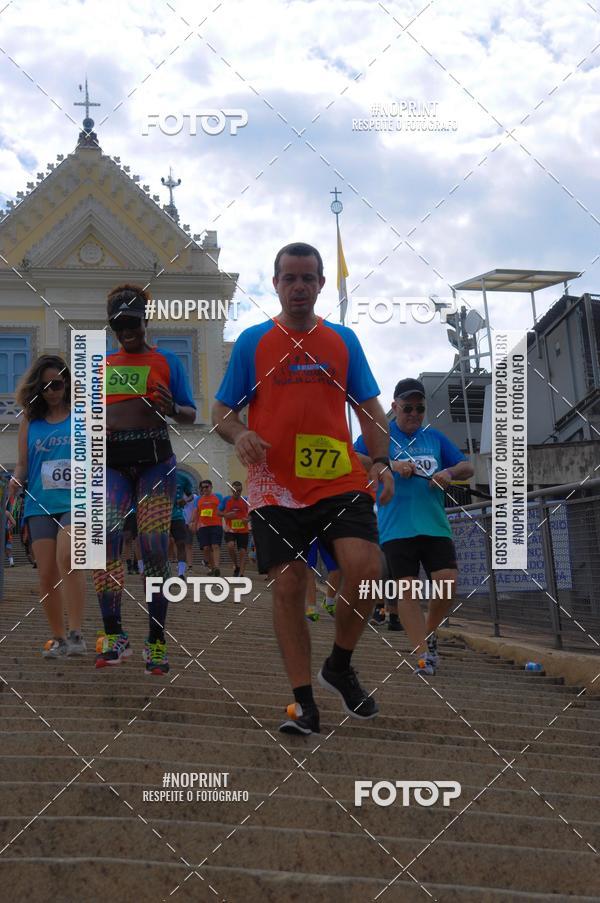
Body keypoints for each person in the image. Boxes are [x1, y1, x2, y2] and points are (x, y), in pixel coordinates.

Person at [212, 241, 394, 736]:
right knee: (290, 583)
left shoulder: (343, 341)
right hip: (275, 486)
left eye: (307, 278)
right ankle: (303, 703)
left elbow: (370, 409)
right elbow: (221, 413)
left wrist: (380, 461)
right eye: (289, 278)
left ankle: (339, 664)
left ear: (319, 285)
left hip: (338, 477)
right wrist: (241, 433)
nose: (298, 287)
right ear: (275, 284)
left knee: (367, 566)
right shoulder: (253, 342)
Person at [93, 284, 196, 674]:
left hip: (155, 458)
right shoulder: (102, 365)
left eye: (132, 323)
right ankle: (114, 635)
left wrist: (173, 407)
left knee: (154, 546)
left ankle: (156, 639)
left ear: (145, 320)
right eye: (119, 325)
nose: (126, 331)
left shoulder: (167, 360)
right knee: (105, 545)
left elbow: (189, 411)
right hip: (112, 463)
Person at [355, 378, 474, 675]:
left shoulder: (434, 437)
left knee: (447, 582)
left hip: (434, 524)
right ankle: (423, 654)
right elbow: (353, 456)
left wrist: (448, 472)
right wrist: (389, 466)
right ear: (394, 407)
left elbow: (468, 467)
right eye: (407, 408)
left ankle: (428, 634)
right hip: (396, 526)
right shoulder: (381, 435)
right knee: (407, 589)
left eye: (420, 408)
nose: (414, 414)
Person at [8, 356, 87, 657]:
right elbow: (23, 464)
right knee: (46, 574)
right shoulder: (31, 420)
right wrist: (16, 481)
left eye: (56, 384)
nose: (52, 391)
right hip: (39, 504)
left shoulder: (81, 416)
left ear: (67, 384)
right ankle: (59, 638)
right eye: (45, 386)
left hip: (75, 501)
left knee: (68, 557)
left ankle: (77, 631)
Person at [191, 479, 223, 576]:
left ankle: (216, 567)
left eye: (206, 487)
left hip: (216, 525)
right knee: (206, 548)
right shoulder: (198, 499)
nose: (204, 489)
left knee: (215, 546)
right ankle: (212, 567)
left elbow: (223, 509)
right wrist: (194, 524)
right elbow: (196, 513)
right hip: (203, 527)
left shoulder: (218, 497)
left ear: (211, 487)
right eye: (202, 487)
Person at [219, 480, 250, 577]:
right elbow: (217, 512)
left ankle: (241, 574)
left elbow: (254, 512)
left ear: (241, 490)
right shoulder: (226, 500)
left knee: (242, 551)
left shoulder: (246, 500)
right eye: (235, 490)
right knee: (230, 546)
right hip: (230, 529)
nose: (237, 492)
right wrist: (226, 515)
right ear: (232, 490)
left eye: (239, 491)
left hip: (243, 530)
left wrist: (248, 520)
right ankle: (236, 565)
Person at [306, 539, 340, 619]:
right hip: (307, 531)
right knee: (308, 568)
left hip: (327, 532)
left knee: (336, 568)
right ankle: (311, 608)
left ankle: (329, 602)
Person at [170, 469, 195, 579]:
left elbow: (191, 496)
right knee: (161, 545)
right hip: (161, 516)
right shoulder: (157, 476)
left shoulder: (182, 478)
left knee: (181, 544)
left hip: (177, 517)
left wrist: (186, 500)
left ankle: (181, 573)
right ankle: (163, 571)